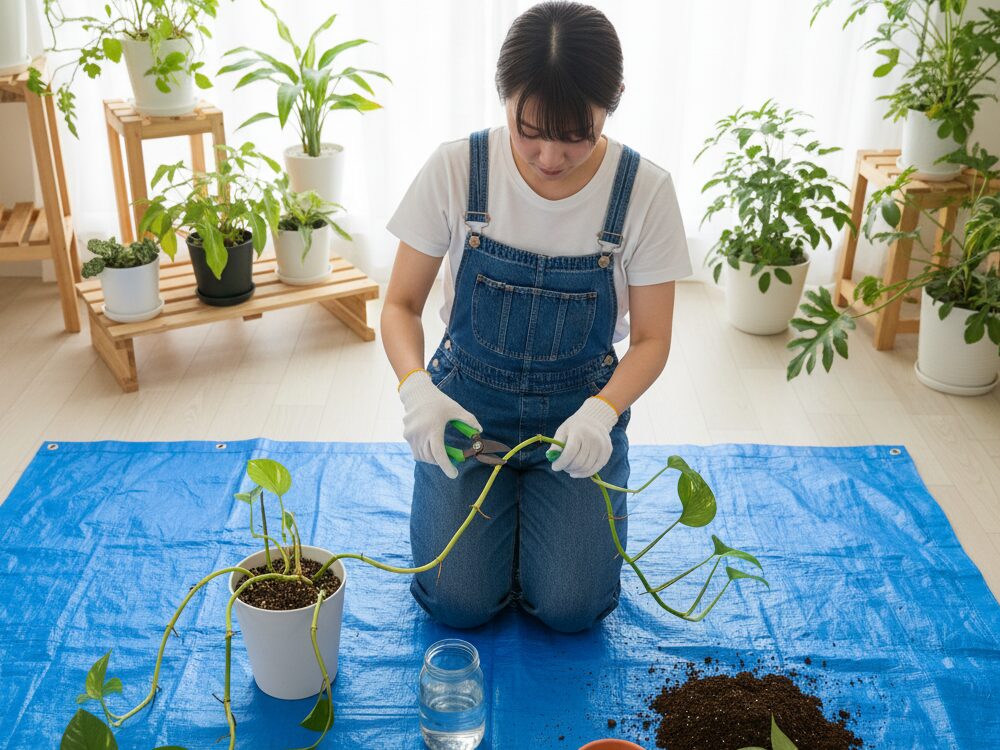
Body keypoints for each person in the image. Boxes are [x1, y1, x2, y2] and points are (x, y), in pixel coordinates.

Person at [381, 1, 691, 633]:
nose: (550, 156)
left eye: (575, 134)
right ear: (504, 98)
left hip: (574, 427)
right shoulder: (458, 168)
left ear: (615, 100)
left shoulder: (645, 191)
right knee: (457, 602)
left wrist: (602, 413)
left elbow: (654, 339)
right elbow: (400, 305)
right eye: (529, 131)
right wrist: (418, 392)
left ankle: (539, 520)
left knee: (574, 608)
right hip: (465, 416)